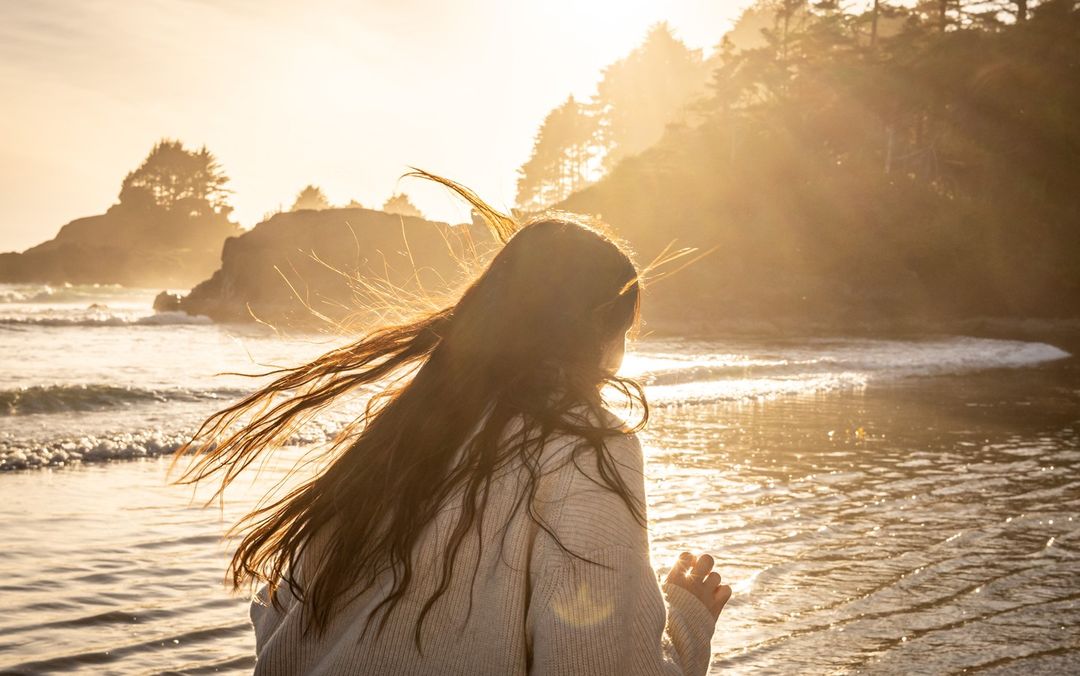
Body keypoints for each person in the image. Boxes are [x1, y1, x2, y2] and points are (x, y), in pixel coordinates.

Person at [173, 174, 732, 675]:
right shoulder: (586, 446)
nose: (625, 348)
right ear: (593, 329)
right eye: (625, 329)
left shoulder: (403, 429)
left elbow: (284, 625)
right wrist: (687, 627)